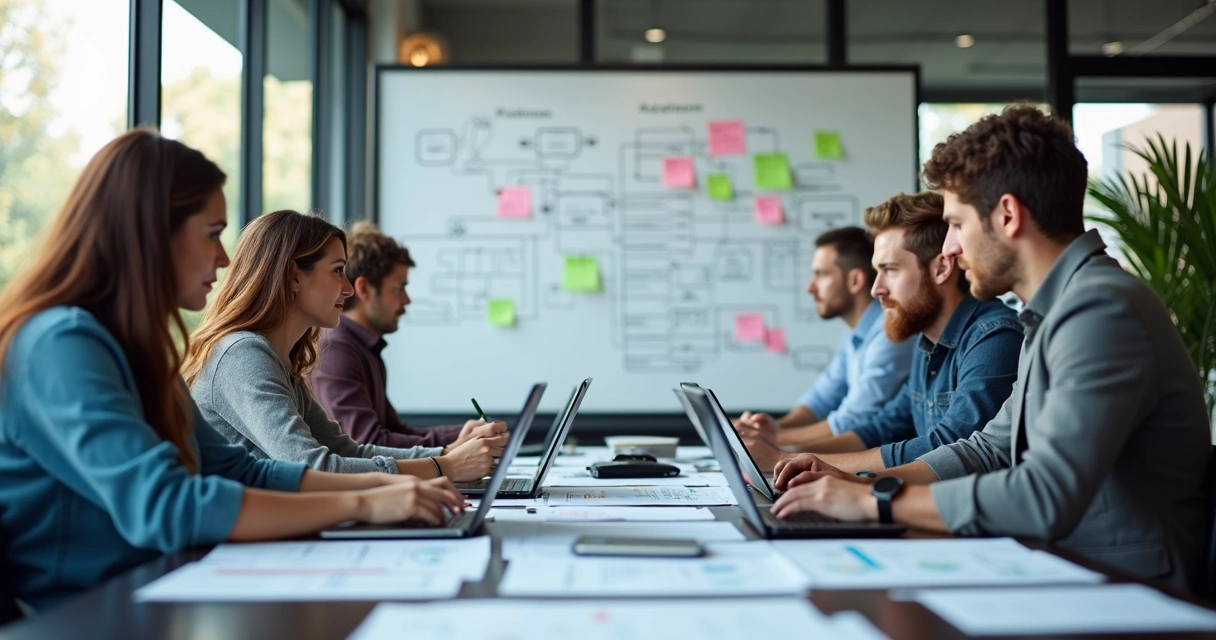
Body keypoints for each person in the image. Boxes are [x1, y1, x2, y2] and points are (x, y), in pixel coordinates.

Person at [0, 130, 465, 611]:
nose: (224, 258)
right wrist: (365, 502)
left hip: (160, 588)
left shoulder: (138, 346)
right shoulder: (61, 343)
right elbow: (167, 506)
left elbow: (237, 469)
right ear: (152, 231)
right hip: (87, 615)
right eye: (212, 233)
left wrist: (385, 483)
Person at [770, 105, 1210, 592]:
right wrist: (856, 482)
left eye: (957, 224)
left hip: (1126, 583)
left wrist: (876, 501)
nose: (951, 249)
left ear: (1007, 215)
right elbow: (989, 447)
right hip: (1065, 563)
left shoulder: (1100, 310)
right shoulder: (1054, 309)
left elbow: (1044, 495)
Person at [183, 210, 505, 482]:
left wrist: (448, 455)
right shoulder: (242, 355)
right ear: (294, 276)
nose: (349, 289)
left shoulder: (279, 363)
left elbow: (347, 451)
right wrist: (444, 466)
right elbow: (315, 468)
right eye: (338, 271)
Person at [740, 192, 1023, 474]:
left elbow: (947, 447)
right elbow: (884, 427)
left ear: (942, 268)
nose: (876, 290)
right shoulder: (926, 341)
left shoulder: (994, 336)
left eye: (890, 270)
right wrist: (790, 457)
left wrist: (782, 459)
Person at [312, 222, 493, 449]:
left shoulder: (364, 346)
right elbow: (369, 442)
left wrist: (464, 435)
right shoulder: (337, 350)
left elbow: (393, 432)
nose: (406, 300)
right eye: (399, 288)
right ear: (364, 289)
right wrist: (451, 449)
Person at [737, 227, 913, 443]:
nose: (810, 287)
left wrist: (776, 438)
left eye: (820, 274)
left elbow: (853, 418)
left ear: (855, 280)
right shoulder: (855, 335)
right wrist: (769, 428)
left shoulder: (890, 332)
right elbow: (822, 398)